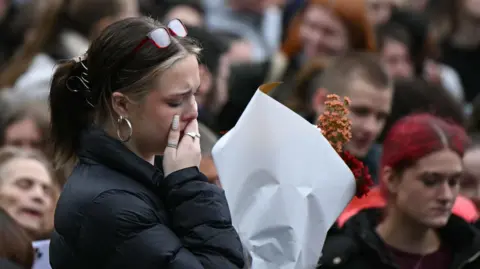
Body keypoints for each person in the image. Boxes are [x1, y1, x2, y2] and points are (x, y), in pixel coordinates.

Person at [48, 17, 245, 269]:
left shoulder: (152, 173)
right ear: (121, 105)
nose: (193, 111)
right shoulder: (110, 206)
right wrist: (189, 183)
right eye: (175, 101)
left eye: (194, 95)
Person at [320, 114, 480, 269]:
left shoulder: (472, 253)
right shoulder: (345, 257)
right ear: (391, 179)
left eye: (454, 182)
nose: (446, 195)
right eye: (430, 181)